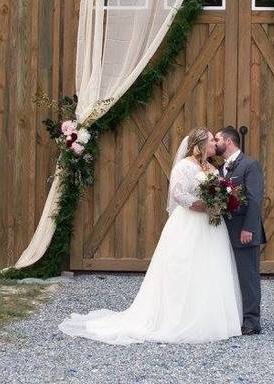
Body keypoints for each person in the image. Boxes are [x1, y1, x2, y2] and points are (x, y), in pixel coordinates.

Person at [58, 127, 242, 344]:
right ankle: (180, 317)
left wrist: (219, 202)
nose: (215, 144)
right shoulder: (184, 167)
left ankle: (213, 318)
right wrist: (201, 206)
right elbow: (178, 194)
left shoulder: (212, 167)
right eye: (211, 141)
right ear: (199, 145)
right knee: (183, 268)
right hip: (190, 223)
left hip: (211, 226)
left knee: (211, 267)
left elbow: (218, 191)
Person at [214, 126, 267, 335]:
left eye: (217, 139)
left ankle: (252, 321)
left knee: (247, 276)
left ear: (228, 141)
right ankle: (233, 316)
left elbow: (254, 199)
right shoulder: (220, 168)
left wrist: (249, 229)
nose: (214, 143)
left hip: (244, 231)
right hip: (224, 232)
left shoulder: (249, 164)